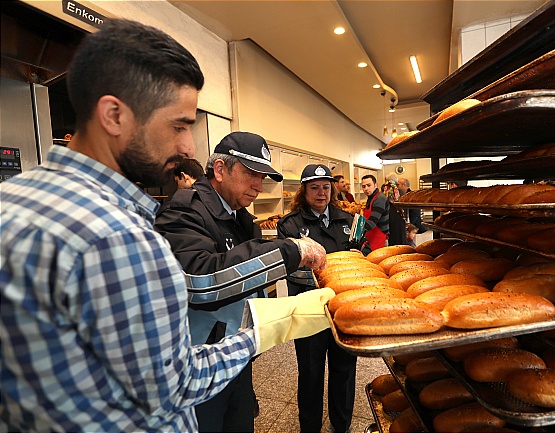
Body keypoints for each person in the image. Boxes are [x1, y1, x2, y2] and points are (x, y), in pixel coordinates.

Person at [0, 19, 331, 432]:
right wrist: (264, 331)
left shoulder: (14, 200)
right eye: (179, 125)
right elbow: (173, 384)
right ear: (114, 115)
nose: (188, 147)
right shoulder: (117, 235)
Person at [154, 131, 324, 432]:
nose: (258, 186)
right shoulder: (184, 212)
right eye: (250, 174)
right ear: (220, 169)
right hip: (199, 365)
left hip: (236, 355)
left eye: (262, 177)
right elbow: (201, 277)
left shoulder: (238, 216)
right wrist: (289, 250)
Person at [277, 164, 370, 433]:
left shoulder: (348, 221)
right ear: (303, 191)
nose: (321, 192)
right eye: (314, 187)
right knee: (310, 371)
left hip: (343, 308)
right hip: (309, 309)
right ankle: (310, 427)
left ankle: (341, 425)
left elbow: (361, 256)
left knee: (344, 369)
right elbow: (289, 270)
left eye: (326, 187)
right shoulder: (290, 225)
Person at [361, 174, 390, 250]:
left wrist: (357, 230)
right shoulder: (371, 198)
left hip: (378, 236)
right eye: (363, 186)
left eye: (369, 185)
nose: (366, 188)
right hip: (371, 236)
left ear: (376, 185)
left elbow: (371, 223)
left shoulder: (380, 199)